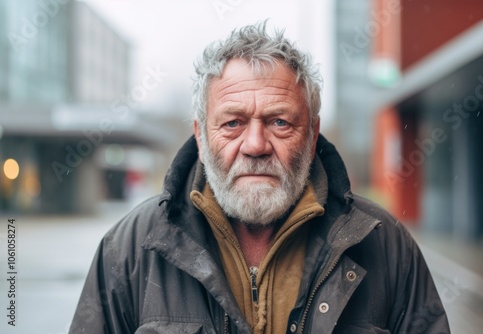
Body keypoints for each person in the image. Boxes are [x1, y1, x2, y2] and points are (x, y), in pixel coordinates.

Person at [70, 22, 450, 334]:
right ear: (201, 136)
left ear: (312, 135)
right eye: (233, 123)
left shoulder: (385, 245)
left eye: (279, 122)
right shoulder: (129, 249)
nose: (255, 145)